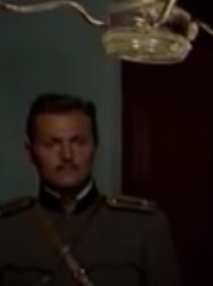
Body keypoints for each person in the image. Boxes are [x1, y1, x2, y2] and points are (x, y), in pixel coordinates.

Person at [0, 93, 182, 286]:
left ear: (95, 147)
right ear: (30, 153)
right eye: (52, 144)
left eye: (79, 142)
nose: (67, 155)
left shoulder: (144, 226)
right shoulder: (7, 228)